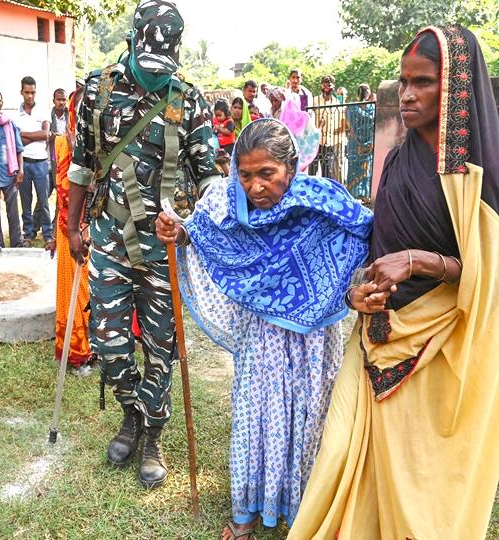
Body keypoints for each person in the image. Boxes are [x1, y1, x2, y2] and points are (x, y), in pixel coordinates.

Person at [288, 25, 499, 539]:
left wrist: (424, 261)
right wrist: (358, 289)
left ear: (456, 86)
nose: (406, 94)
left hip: (443, 350)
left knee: (421, 487)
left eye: (422, 82)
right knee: (345, 458)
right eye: (403, 81)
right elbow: (379, 251)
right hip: (376, 338)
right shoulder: (399, 161)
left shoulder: (478, 174)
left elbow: (489, 271)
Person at [156, 118, 373, 538]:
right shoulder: (225, 200)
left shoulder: (321, 202)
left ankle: (302, 508)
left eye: (267, 174)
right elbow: (201, 235)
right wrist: (177, 231)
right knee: (258, 412)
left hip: (314, 337)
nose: (256, 186)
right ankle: (248, 512)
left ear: (290, 169)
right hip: (263, 334)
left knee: (310, 415)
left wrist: (353, 288)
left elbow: (363, 235)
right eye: (246, 174)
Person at [67, 0, 219, 490]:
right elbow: (82, 164)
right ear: (131, 44)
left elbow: (210, 179)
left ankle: (151, 432)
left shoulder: (187, 99)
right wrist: (71, 227)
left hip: (163, 249)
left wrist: (190, 223)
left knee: (161, 348)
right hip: (110, 238)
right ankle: (130, 410)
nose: (155, 76)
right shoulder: (99, 89)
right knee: (109, 345)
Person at [46, 82, 94, 376]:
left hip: (99, 229)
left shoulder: (106, 146)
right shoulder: (63, 143)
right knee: (74, 292)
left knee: (96, 292)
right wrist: (57, 232)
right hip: (71, 230)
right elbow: (61, 189)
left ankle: (98, 347)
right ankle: (76, 353)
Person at [16, 76, 52, 248]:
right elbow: (18, 142)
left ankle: (48, 235)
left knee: (44, 201)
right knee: (26, 202)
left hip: (41, 163)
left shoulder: (43, 110)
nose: (30, 96)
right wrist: (35, 135)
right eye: (27, 92)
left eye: (33, 92)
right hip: (24, 163)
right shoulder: (16, 114)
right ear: (21, 92)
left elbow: (46, 134)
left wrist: (25, 134)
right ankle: (28, 235)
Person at [0, 88, 24, 249]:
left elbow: (18, 148)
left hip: (9, 173)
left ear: (2, 102)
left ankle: (17, 243)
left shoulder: (9, 123)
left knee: (13, 211)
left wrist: (21, 170)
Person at [33, 88, 68, 234]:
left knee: (62, 197)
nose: (61, 102)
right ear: (53, 100)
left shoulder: (70, 115)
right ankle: (34, 228)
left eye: (64, 99)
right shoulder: (48, 115)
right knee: (43, 198)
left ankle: (55, 228)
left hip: (64, 164)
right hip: (48, 163)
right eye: (58, 99)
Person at [311, 74, 345, 181]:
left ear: (333, 86)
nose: (326, 88)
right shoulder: (315, 100)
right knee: (312, 171)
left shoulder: (336, 102)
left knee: (327, 173)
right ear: (321, 86)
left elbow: (341, 122)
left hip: (329, 143)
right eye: (324, 85)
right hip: (316, 141)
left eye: (329, 85)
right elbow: (309, 117)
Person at [345, 83, 374, 200]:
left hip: (369, 142)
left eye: (367, 90)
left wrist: (370, 143)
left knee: (367, 169)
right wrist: (358, 143)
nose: (365, 93)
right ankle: (353, 195)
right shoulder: (352, 107)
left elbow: (375, 125)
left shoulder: (373, 107)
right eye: (363, 91)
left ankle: (365, 195)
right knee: (354, 169)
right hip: (355, 143)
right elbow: (350, 126)